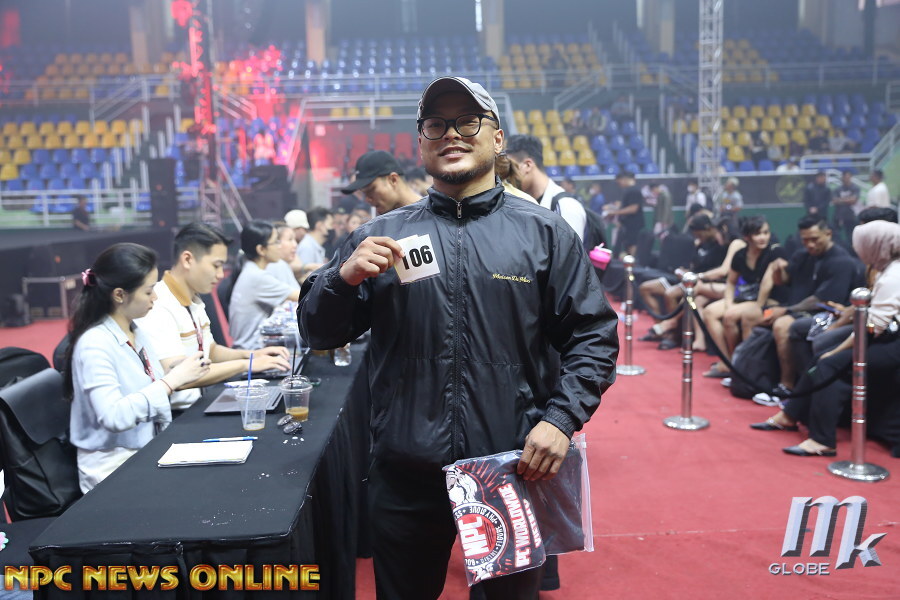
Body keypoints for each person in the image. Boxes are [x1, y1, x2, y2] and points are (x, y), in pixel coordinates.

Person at [297, 76, 618, 600]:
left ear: (497, 138)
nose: (451, 133)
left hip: (509, 467)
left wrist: (561, 420)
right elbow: (319, 331)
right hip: (404, 471)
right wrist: (340, 279)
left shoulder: (544, 233)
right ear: (421, 142)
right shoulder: (380, 236)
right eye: (436, 124)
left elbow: (594, 335)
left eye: (468, 122)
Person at [65, 243, 209, 491]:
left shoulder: (134, 330)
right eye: (149, 291)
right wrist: (170, 381)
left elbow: (146, 384)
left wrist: (176, 371)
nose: (155, 298)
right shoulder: (94, 344)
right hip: (112, 470)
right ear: (119, 295)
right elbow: (113, 416)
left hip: (144, 451)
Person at [750, 221, 900, 456]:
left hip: (892, 344)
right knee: (821, 356)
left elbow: (872, 328)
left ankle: (822, 440)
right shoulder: (886, 270)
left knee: (829, 364)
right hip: (885, 337)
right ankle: (789, 415)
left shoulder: (892, 276)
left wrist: (837, 350)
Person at [137, 223, 290, 409]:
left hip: (202, 402)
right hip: (179, 414)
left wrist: (251, 355)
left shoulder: (195, 299)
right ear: (187, 259)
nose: (220, 274)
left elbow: (212, 351)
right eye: (216, 266)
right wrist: (247, 364)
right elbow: (177, 375)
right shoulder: (159, 305)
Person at [750, 216, 865, 405]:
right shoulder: (802, 254)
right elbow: (783, 281)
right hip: (795, 308)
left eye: (814, 239)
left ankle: (787, 386)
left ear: (828, 234)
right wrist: (777, 269)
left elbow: (821, 300)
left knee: (781, 325)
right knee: (753, 317)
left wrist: (785, 310)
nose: (810, 244)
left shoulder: (841, 261)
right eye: (805, 240)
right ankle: (751, 377)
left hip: (826, 313)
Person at [701, 216, 786, 375]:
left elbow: (766, 285)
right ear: (747, 237)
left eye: (766, 233)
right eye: (758, 234)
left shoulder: (774, 252)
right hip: (746, 297)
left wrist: (757, 307)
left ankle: (738, 364)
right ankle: (726, 361)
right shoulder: (740, 254)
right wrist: (729, 303)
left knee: (730, 316)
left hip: (769, 300)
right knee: (709, 312)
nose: (763, 237)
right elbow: (731, 282)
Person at [229, 220, 301, 349]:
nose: (279, 246)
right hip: (252, 352)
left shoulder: (251, 270)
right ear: (261, 249)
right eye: (276, 242)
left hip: (254, 348)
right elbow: (301, 296)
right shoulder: (257, 277)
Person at [506, 133, 586, 240]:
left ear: (527, 165)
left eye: (510, 169)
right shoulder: (519, 203)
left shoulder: (567, 207)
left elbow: (570, 251)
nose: (506, 176)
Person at [340, 150, 422, 216]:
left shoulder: (429, 214)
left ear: (393, 180)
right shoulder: (381, 227)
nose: (368, 199)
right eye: (365, 193)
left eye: (371, 189)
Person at [606, 170, 645, 257]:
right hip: (627, 224)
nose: (619, 185)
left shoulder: (634, 191)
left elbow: (633, 208)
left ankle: (631, 262)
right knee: (627, 244)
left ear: (624, 179)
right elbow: (626, 205)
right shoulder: (628, 191)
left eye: (619, 182)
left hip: (633, 224)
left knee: (632, 243)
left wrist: (615, 212)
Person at [266, 223, 301, 291]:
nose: (295, 245)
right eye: (290, 239)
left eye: (295, 240)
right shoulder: (278, 265)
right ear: (276, 242)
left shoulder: (280, 264)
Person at [832, 170, 859, 245]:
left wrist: (841, 200)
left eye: (848, 177)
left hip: (851, 216)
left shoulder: (855, 188)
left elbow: (854, 200)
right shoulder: (837, 189)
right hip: (838, 216)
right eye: (845, 177)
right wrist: (848, 199)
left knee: (851, 236)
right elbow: (834, 201)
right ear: (842, 178)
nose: (846, 179)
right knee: (836, 236)